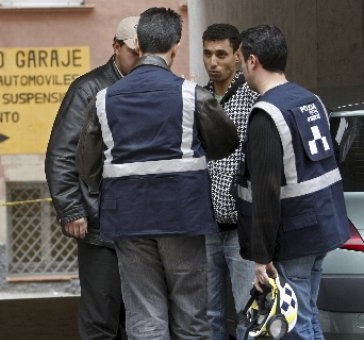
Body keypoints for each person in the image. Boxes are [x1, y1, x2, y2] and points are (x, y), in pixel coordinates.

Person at [76, 7, 238, 339]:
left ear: (137, 43)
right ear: (175, 46)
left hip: (129, 219)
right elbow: (226, 142)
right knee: (192, 313)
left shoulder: (103, 100)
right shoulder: (192, 95)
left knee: (144, 312)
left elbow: (87, 168)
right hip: (182, 214)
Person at [235, 24, 349, 339]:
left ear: (253, 61)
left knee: (295, 326)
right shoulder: (310, 99)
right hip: (321, 227)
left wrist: (261, 256)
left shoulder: (266, 114)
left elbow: (266, 192)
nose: (241, 68)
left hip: (294, 236)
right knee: (309, 318)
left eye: (241, 60)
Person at [45, 15, 139, 340]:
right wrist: (71, 209)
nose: (140, 60)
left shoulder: (150, 86)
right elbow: (61, 153)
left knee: (135, 320)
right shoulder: (88, 90)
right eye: (133, 52)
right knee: (100, 320)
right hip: (100, 225)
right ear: (115, 47)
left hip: (141, 226)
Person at [201, 23, 257, 340]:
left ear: (237, 56)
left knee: (247, 309)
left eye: (221, 54)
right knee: (209, 313)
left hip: (241, 227)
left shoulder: (252, 97)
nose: (213, 62)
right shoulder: (198, 98)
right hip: (206, 227)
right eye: (207, 53)